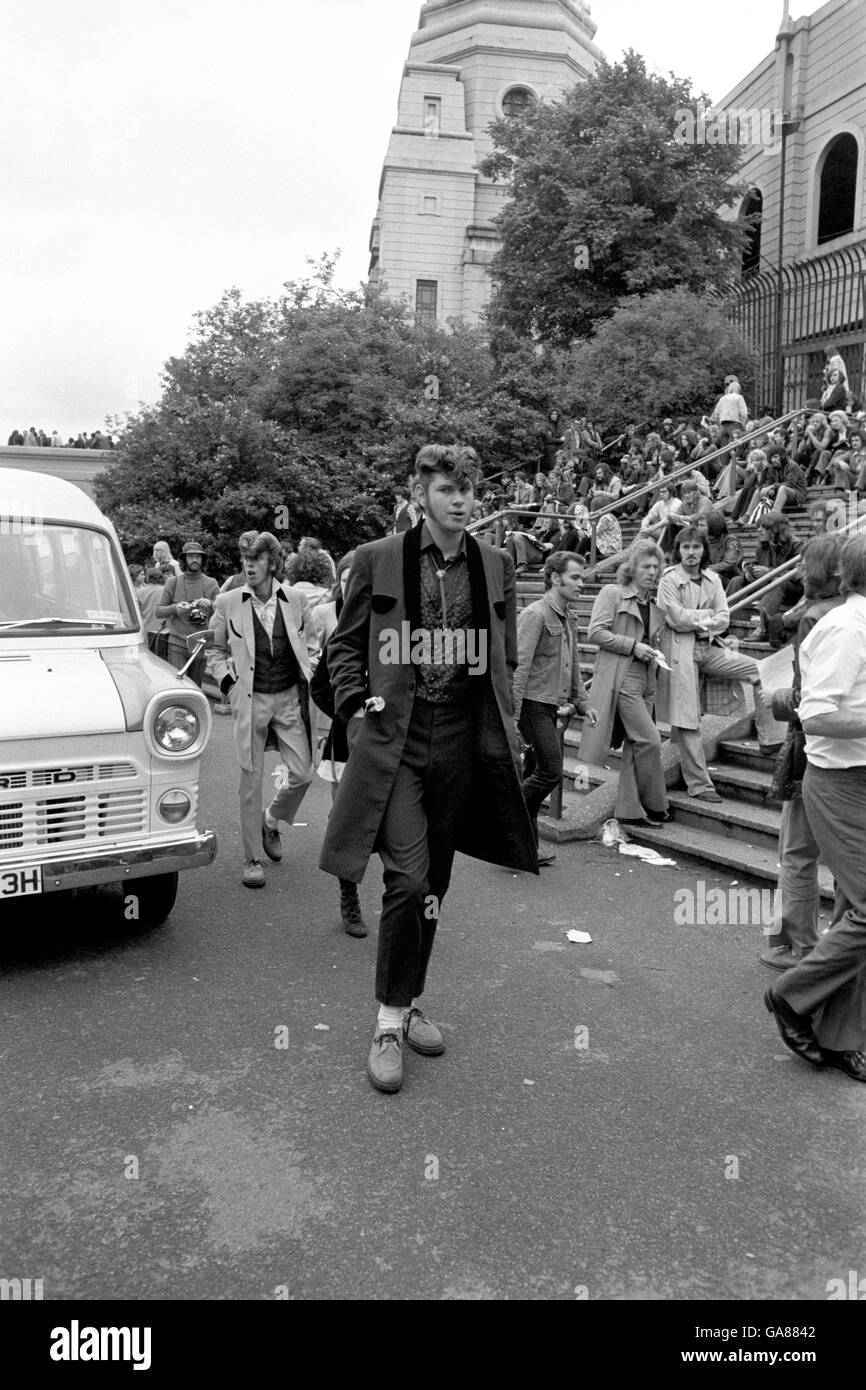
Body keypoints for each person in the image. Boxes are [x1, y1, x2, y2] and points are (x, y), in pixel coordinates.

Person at [319, 444, 537, 1094]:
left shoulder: (496, 565)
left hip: (462, 742)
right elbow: (343, 648)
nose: (462, 499)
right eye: (448, 488)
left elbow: (506, 656)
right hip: (399, 740)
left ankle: (412, 1002)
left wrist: (506, 724)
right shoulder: (378, 559)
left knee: (436, 882)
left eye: (469, 488)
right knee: (407, 882)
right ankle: (387, 1023)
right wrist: (357, 710)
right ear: (421, 492)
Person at [764, 534, 866, 1083]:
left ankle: (840, 1038)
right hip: (839, 781)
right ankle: (791, 995)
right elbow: (818, 715)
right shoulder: (846, 628)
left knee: (856, 911)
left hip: (859, 776)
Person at [208, 531, 316, 889]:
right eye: (245, 560)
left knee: (303, 774)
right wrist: (229, 685)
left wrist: (310, 672)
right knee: (250, 782)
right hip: (251, 699)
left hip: (288, 698)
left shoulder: (297, 599)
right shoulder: (227, 602)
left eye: (256, 560)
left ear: (273, 562)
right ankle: (252, 859)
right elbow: (215, 651)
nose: (249, 566)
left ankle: (271, 821)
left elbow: (312, 646)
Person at [762, 535, 844, 970]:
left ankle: (802, 945)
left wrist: (777, 699)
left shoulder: (817, 618)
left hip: (814, 749)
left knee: (797, 850)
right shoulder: (847, 612)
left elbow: (808, 699)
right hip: (841, 753)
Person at [655, 527, 779, 801]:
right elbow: (675, 618)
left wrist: (701, 619)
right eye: (685, 547)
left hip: (709, 646)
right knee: (688, 718)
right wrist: (707, 616)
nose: (691, 553)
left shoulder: (713, 579)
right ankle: (699, 785)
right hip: (679, 652)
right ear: (678, 550)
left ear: (704, 550)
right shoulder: (669, 579)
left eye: (696, 547)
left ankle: (771, 739)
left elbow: (724, 617)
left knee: (759, 669)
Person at [513, 552, 598, 866]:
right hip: (532, 705)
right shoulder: (536, 614)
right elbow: (519, 667)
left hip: (550, 705)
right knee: (549, 770)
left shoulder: (568, 616)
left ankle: (523, 851)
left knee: (535, 773)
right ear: (553, 577)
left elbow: (573, 663)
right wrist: (511, 715)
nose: (581, 584)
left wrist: (583, 702)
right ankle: (506, 812)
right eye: (575, 577)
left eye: (582, 578)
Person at [582, 538, 671, 826]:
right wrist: (633, 645)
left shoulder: (653, 603)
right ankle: (656, 804)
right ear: (631, 568)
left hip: (648, 676)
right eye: (645, 566)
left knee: (637, 743)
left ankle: (630, 810)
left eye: (656, 567)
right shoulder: (613, 593)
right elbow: (595, 632)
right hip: (623, 675)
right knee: (649, 739)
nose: (652, 572)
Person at [155, 542, 218, 686]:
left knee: (195, 687)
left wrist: (211, 604)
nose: (195, 560)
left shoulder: (211, 583)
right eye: (191, 557)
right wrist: (175, 608)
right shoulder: (173, 582)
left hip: (201, 645)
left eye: (198, 557)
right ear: (184, 560)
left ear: (203, 560)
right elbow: (158, 611)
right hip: (177, 643)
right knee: (177, 685)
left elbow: (223, 613)